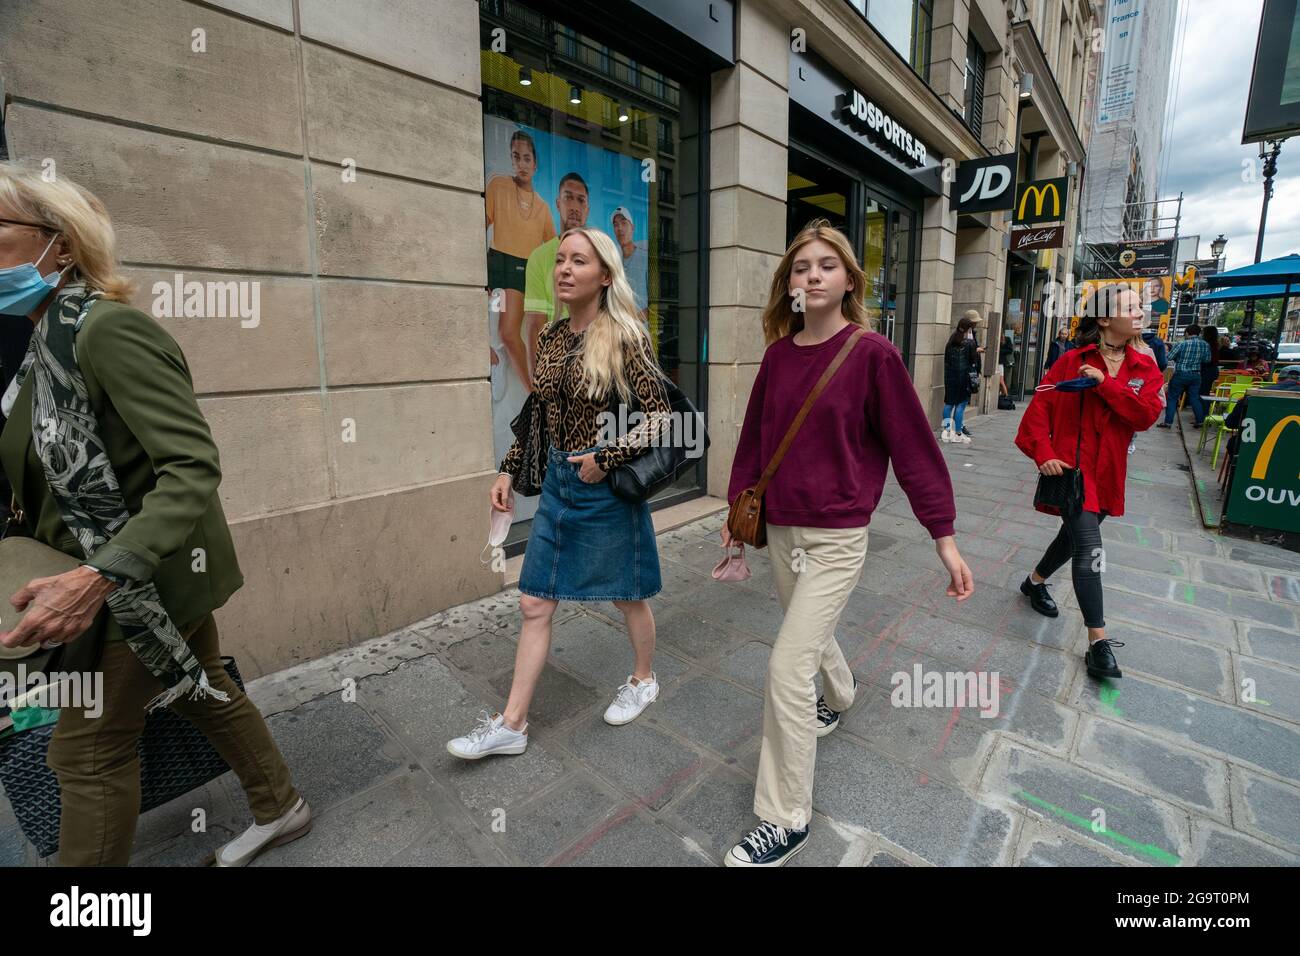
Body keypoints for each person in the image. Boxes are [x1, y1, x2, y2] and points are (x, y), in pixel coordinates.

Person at [0, 165, 308, 867]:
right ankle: (281, 805)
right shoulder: (38, 346)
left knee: (85, 752)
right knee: (199, 688)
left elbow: (192, 466)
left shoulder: (108, 332)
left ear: (63, 246)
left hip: (136, 584)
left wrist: (97, 578)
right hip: (107, 577)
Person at [721, 219, 973, 866]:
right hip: (780, 529)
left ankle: (786, 818)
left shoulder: (873, 356)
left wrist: (942, 537)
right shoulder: (778, 357)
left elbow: (915, 451)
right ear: (789, 283)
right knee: (809, 632)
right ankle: (840, 693)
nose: (812, 274)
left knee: (786, 665)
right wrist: (736, 516)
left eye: (826, 265)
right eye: (801, 266)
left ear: (849, 279)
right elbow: (754, 439)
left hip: (837, 537)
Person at [449, 226, 672, 759]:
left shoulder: (625, 336)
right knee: (533, 601)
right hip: (556, 482)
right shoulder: (548, 337)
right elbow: (538, 415)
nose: (565, 269)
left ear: (604, 275)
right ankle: (512, 725)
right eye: (562, 260)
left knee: (626, 593)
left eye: (579, 261)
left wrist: (606, 457)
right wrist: (507, 469)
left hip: (606, 489)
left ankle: (643, 679)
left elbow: (663, 417)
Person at [1015, 286, 1163, 680]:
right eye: (1130, 307)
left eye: (1139, 306)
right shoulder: (1070, 360)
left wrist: (1105, 384)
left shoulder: (1144, 367)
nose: (1139, 312)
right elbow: (1040, 407)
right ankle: (1099, 642)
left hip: (1109, 473)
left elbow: (1145, 417)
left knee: (1073, 538)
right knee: (1090, 549)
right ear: (1104, 318)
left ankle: (1034, 582)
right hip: (1072, 473)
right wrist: (1042, 451)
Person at [485, 130, 556, 392]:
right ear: (511, 160)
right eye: (516, 157)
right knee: (497, 328)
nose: (522, 164)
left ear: (535, 164)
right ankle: (509, 373)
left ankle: (535, 392)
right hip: (495, 261)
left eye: (527, 158)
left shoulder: (543, 207)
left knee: (508, 331)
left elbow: (553, 250)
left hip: (521, 268)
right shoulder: (498, 186)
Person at [522, 172, 590, 363]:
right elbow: (535, 327)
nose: (575, 207)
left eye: (581, 200)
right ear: (558, 203)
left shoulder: (601, 256)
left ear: (588, 208)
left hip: (596, 362)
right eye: (568, 198)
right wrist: (538, 389)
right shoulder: (539, 257)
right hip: (556, 366)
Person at [941, 312, 982, 443]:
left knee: (949, 404)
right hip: (964, 378)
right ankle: (958, 433)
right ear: (968, 329)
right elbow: (974, 360)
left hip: (950, 377)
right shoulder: (970, 344)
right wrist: (977, 351)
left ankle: (947, 431)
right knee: (961, 406)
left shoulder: (950, 342)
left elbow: (946, 361)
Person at [1159, 322, 1210, 429]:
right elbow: (1207, 360)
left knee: (1172, 398)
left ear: (1187, 333)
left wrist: (1180, 359)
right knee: (1194, 398)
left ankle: (1168, 422)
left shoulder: (1181, 344)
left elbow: (1170, 356)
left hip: (1181, 373)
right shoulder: (1205, 344)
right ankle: (1200, 420)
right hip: (1196, 375)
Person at [1198, 323, 1221, 405]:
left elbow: (1206, 360)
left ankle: (1202, 411)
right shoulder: (1216, 344)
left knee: (1202, 391)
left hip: (1206, 371)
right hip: (1213, 370)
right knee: (1206, 391)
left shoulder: (1205, 345)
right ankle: (1203, 409)